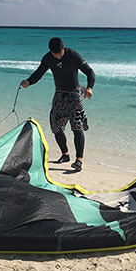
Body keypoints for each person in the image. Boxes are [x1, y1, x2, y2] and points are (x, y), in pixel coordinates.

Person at [20, 37, 95, 172]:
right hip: (60, 93)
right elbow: (39, 73)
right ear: (51, 52)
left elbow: (90, 72)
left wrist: (89, 88)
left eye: (60, 53)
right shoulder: (48, 58)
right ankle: (65, 155)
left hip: (74, 93)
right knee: (56, 126)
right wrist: (28, 82)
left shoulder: (72, 55)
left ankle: (79, 160)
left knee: (77, 126)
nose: (59, 56)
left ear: (63, 48)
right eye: (56, 54)